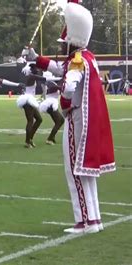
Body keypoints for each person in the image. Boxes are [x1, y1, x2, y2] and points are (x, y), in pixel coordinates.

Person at [27, 2, 115, 233]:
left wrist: (56, 84)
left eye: (65, 43)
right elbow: (60, 67)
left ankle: (83, 221)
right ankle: (94, 220)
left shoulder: (77, 60)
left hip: (77, 119)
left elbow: (68, 86)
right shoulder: (87, 57)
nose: (63, 47)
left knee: (74, 170)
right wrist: (38, 58)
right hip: (86, 118)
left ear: (72, 41)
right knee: (86, 173)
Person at [19, 63, 61, 148]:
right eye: (36, 69)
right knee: (30, 121)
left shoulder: (32, 76)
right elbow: (45, 79)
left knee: (39, 119)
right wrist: (62, 78)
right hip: (28, 101)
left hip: (31, 100)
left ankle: (30, 139)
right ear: (31, 70)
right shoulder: (32, 76)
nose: (37, 70)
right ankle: (27, 142)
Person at [39, 73, 64, 145]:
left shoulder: (53, 83)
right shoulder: (50, 83)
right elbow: (59, 88)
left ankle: (52, 137)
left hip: (51, 104)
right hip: (50, 104)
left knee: (60, 121)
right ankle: (49, 139)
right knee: (59, 121)